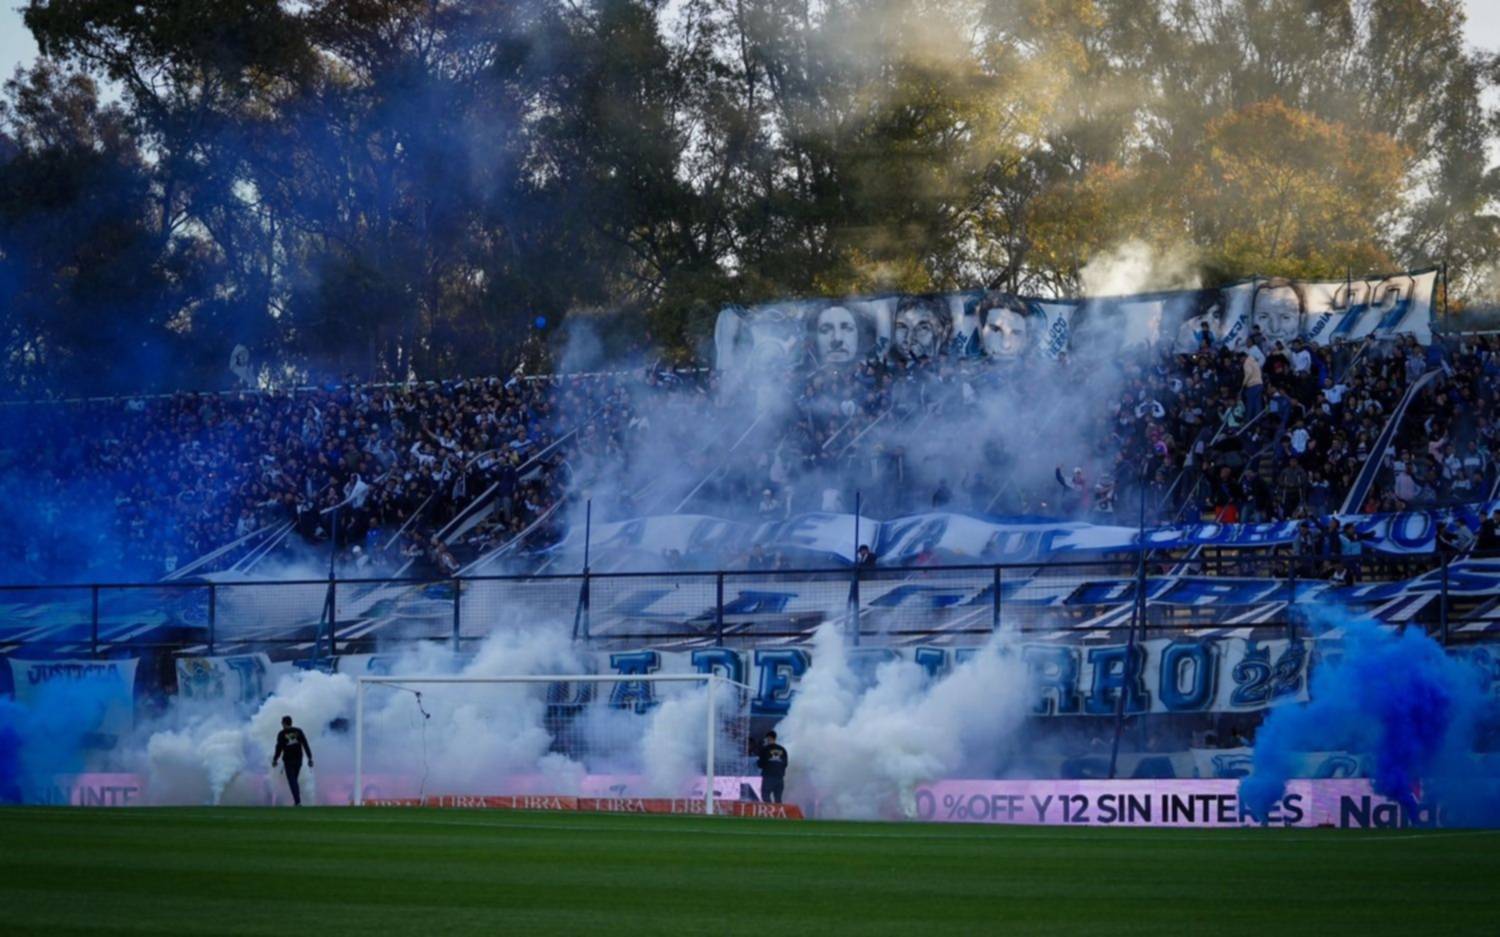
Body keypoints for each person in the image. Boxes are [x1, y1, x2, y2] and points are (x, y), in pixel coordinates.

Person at [272, 715, 315, 806]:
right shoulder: (298, 731)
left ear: (284, 723)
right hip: (298, 759)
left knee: (292, 781)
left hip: (288, 760)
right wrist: (309, 758)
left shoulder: (281, 734)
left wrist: (275, 759)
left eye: (282, 722)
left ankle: (298, 802)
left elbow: (278, 748)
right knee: (294, 780)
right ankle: (297, 800)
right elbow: (305, 744)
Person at [755, 730, 789, 804]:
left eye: (766, 739)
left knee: (765, 795)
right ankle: (778, 814)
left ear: (769, 738)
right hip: (779, 778)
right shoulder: (783, 749)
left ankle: (770, 813)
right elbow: (785, 764)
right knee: (778, 798)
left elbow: (761, 764)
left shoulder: (765, 749)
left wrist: (758, 762)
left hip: (768, 777)